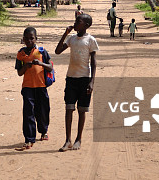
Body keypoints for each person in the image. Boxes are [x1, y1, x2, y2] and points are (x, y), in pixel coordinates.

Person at [55, 12, 98, 152]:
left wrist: (92, 81)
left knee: (81, 110)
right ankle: (67, 140)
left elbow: (94, 62)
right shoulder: (72, 39)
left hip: (84, 79)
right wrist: (65, 33)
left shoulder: (90, 40)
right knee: (69, 108)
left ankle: (78, 139)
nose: (75, 23)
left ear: (86, 25)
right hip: (71, 78)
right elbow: (57, 51)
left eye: (78, 21)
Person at [15, 26, 52, 151]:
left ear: (36, 39)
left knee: (42, 111)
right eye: (27, 38)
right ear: (23, 39)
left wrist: (41, 63)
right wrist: (26, 66)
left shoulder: (42, 52)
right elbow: (19, 73)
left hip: (41, 86)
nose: (29, 41)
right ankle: (29, 139)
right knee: (28, 112)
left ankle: (43, 131)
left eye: (32, 38)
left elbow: (50, 67)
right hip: (27, 88)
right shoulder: (21, 53)